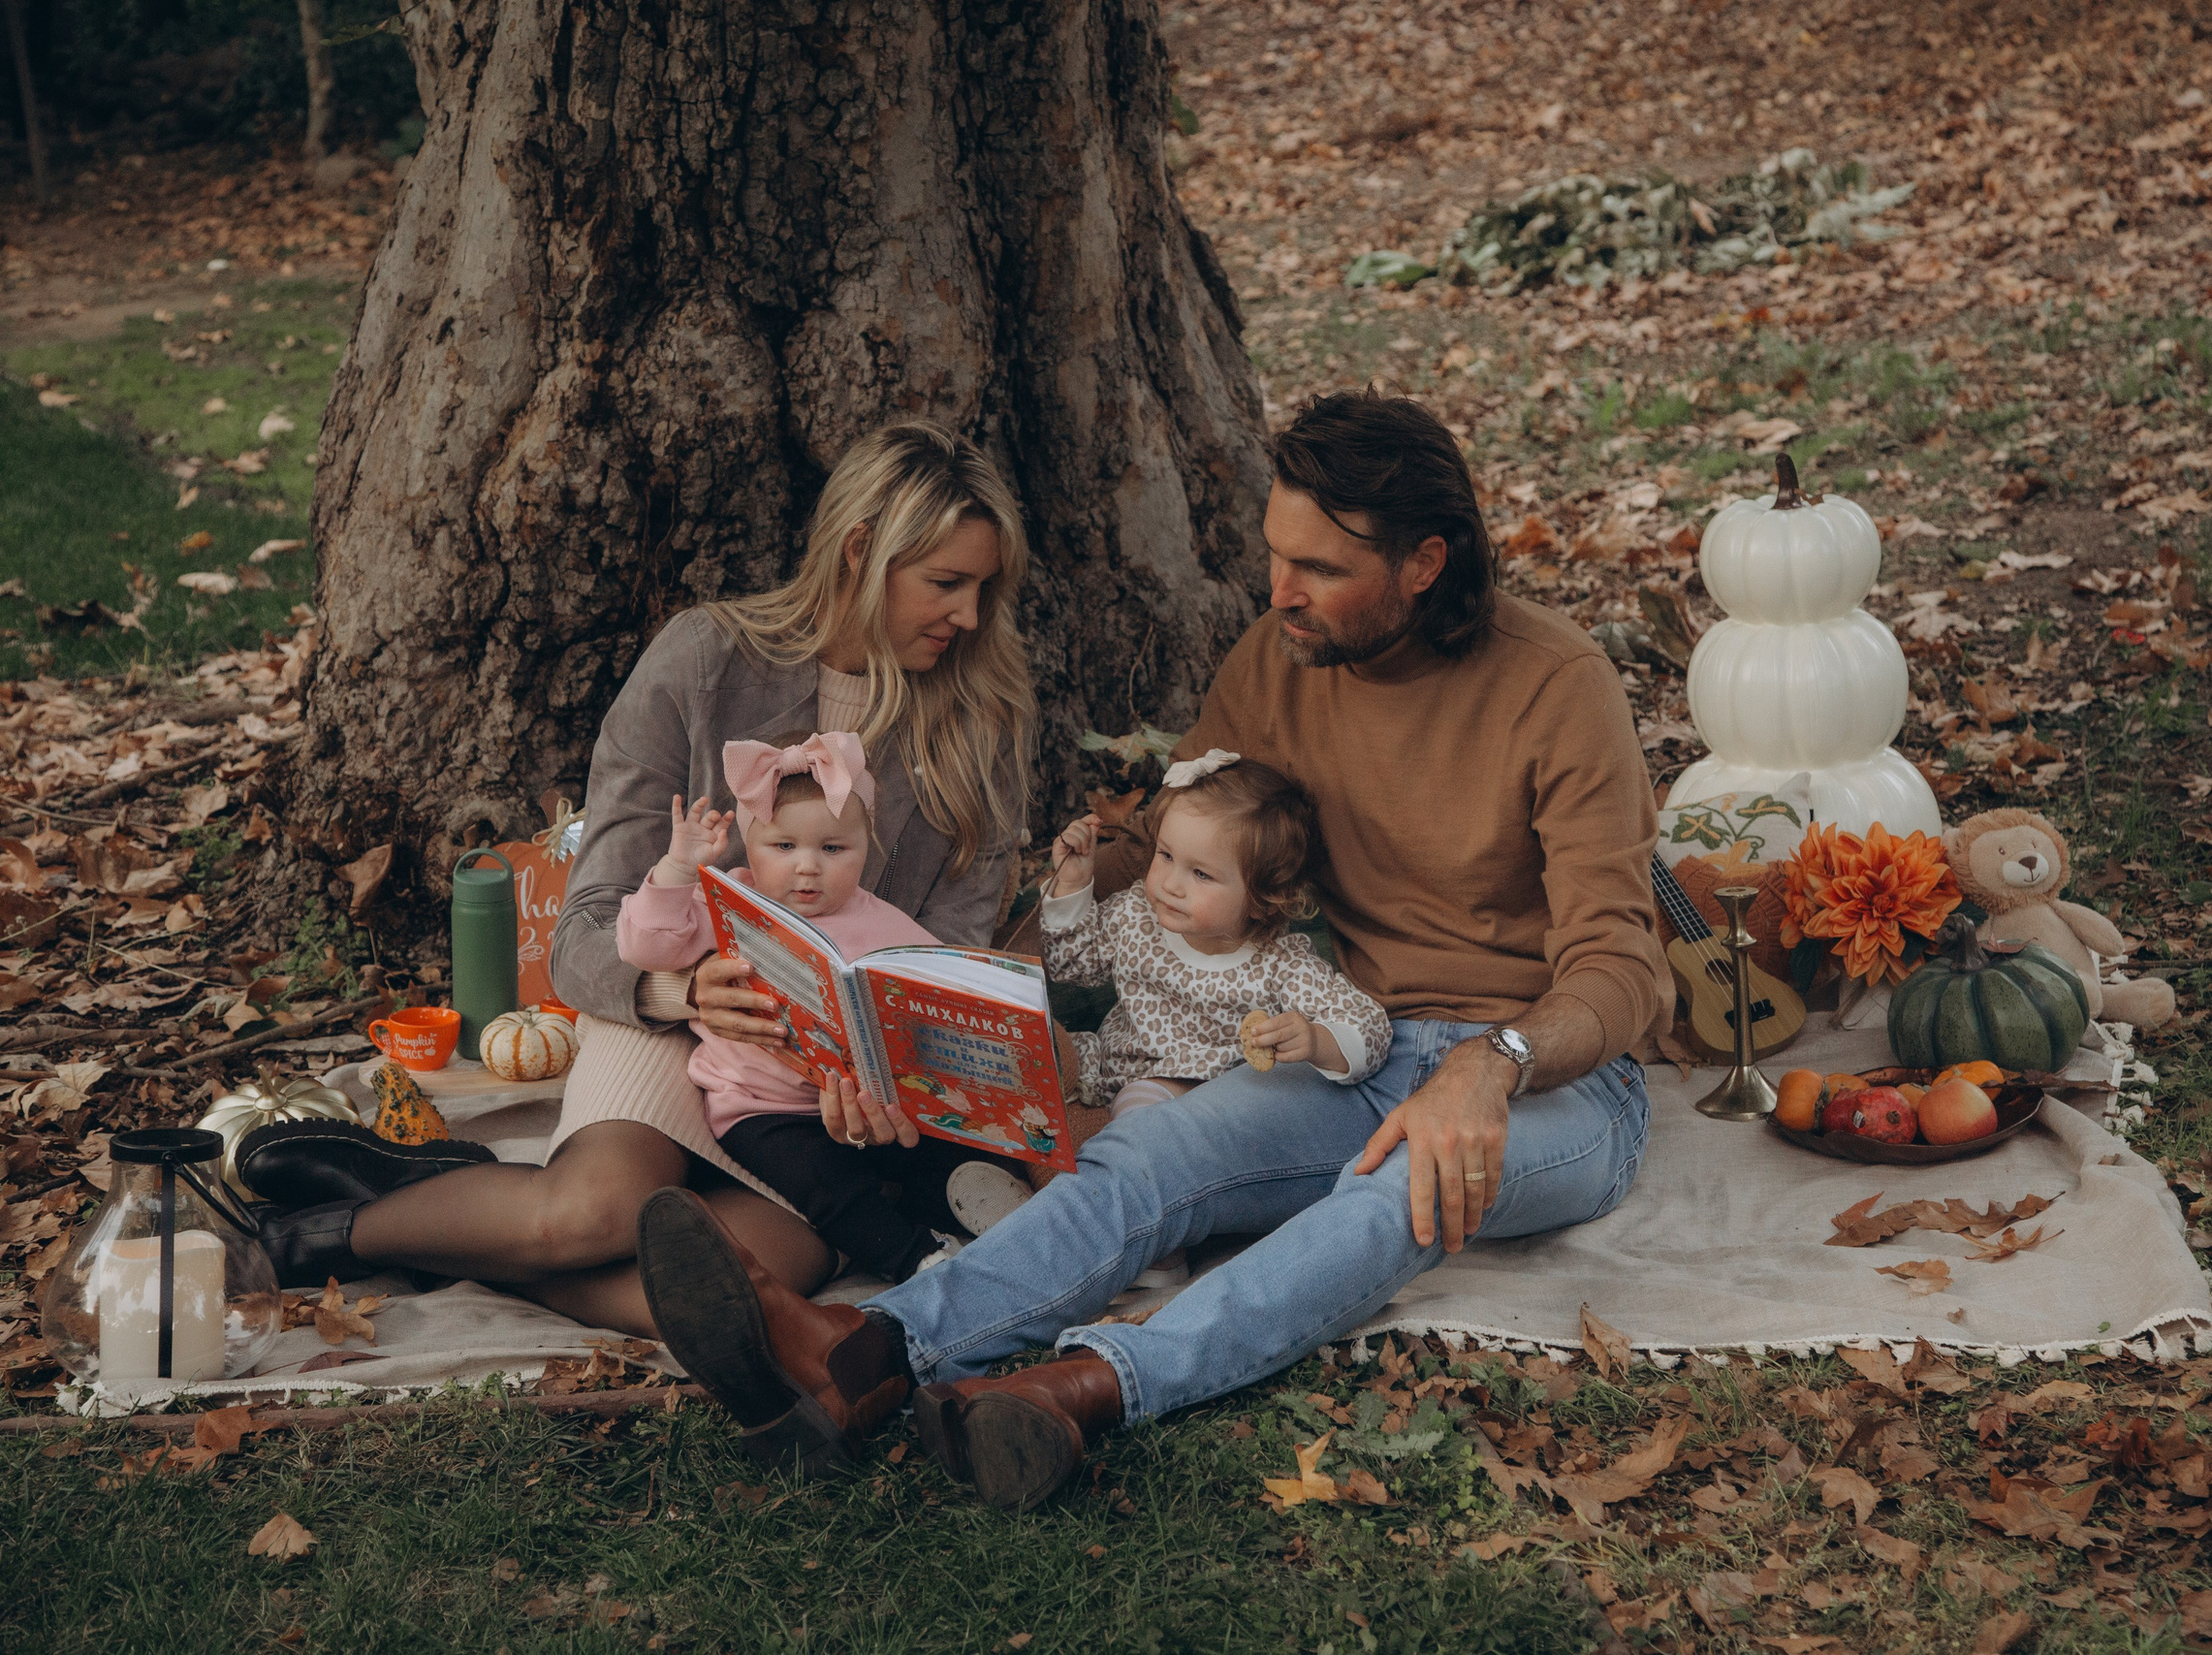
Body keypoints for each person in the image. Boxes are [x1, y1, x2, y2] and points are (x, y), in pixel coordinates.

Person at [638, 389, 1671, 1502]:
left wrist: (1493, 1064)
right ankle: (862, 1358)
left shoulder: (1557, 686)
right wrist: (979, 987)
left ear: (1425, 562)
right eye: (1276, 556)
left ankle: (1084, 1391)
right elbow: (1147, 848)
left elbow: (1621, 965)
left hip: (1552, 1087)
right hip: (1351, 1051)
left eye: (1320, 568)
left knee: (1397, 1194)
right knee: (1151, 1155)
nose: (1282, 594)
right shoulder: (1286, 658)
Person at [237, 424, 1037, 1337]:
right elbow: (583, 926)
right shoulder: (702, 662)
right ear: (862, 550)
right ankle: (307, 1239)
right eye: (945, 584)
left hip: (820, 1096)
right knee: (590, 1217)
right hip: (665, 1012)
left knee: (735, 1291)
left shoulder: (981, 719)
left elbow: (950, 963)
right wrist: (679, 986)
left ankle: (452, 1228)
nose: (970, 617)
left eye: (983, 589)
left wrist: (880, 1081)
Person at [616, 732, 1002, 1285]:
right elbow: (644, 946)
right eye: (783, 847)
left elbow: (929, 999)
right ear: (750, 846)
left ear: (866, 851)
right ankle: (917, 1259)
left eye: (832, 849)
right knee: (827, 1185)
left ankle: (959, 1205)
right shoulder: (727, 903)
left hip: (859, 1104)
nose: (807, 868)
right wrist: (679, 870)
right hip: (761, 1110)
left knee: (936, 1144)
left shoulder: (884, 924)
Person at [1039, 750, 1395, 1286]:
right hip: (1114, 1070)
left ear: (1262, 898)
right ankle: (1047, 1188)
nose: (1170, 883)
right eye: (1164, 856)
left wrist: (1317, 1040)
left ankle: (1153, 1251)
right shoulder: (1137, 915)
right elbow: (1073, 962)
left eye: (1201, 873)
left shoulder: (1281, 964)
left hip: (1205, 1107)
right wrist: (1073, 885)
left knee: (1141, 1120)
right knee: (1043, 1067)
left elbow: (1370, 1029)